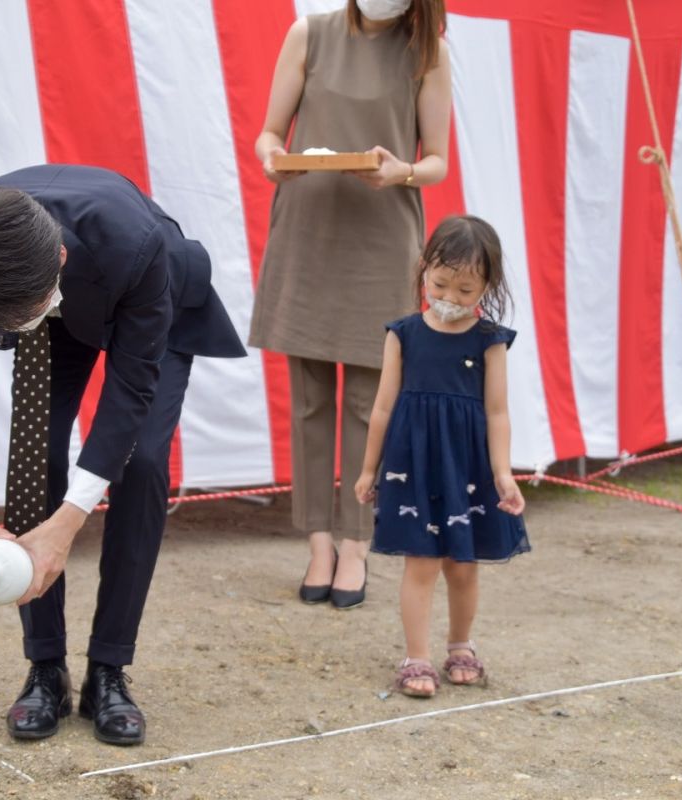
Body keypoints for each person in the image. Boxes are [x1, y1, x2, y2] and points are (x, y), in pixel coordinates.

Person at [0, 164, 246, 745]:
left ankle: (109, 670)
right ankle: (45, 666)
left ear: (58, 267)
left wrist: (66, 526)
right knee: (36, 452)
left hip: (150, 294)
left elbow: (129, 394)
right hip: (43, 296)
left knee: (143, 460)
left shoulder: (136, 243)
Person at [249, 0, 452, 609]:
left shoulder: (428, 50)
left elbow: (437, 162)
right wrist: (271, 159)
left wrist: (402, 172)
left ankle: (357, 543)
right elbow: (268, 133)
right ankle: (317, 542)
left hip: (384, 236)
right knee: (308, 398)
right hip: (307, 226)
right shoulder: (308, 34)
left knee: (373, 399)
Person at [353, 215, 529, 698]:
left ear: (486, 286)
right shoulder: (403, 333)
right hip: (414, 463)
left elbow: (497, 412)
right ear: (424, 269)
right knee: (421, 562)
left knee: (462, 564)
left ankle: (460, 646)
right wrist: (370, 468)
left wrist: (502, 473)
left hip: (467, 466)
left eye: (466, 289)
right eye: (441, 283)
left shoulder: (490, 340)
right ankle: (417, 658)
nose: (451, 297)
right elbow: (383, 407)